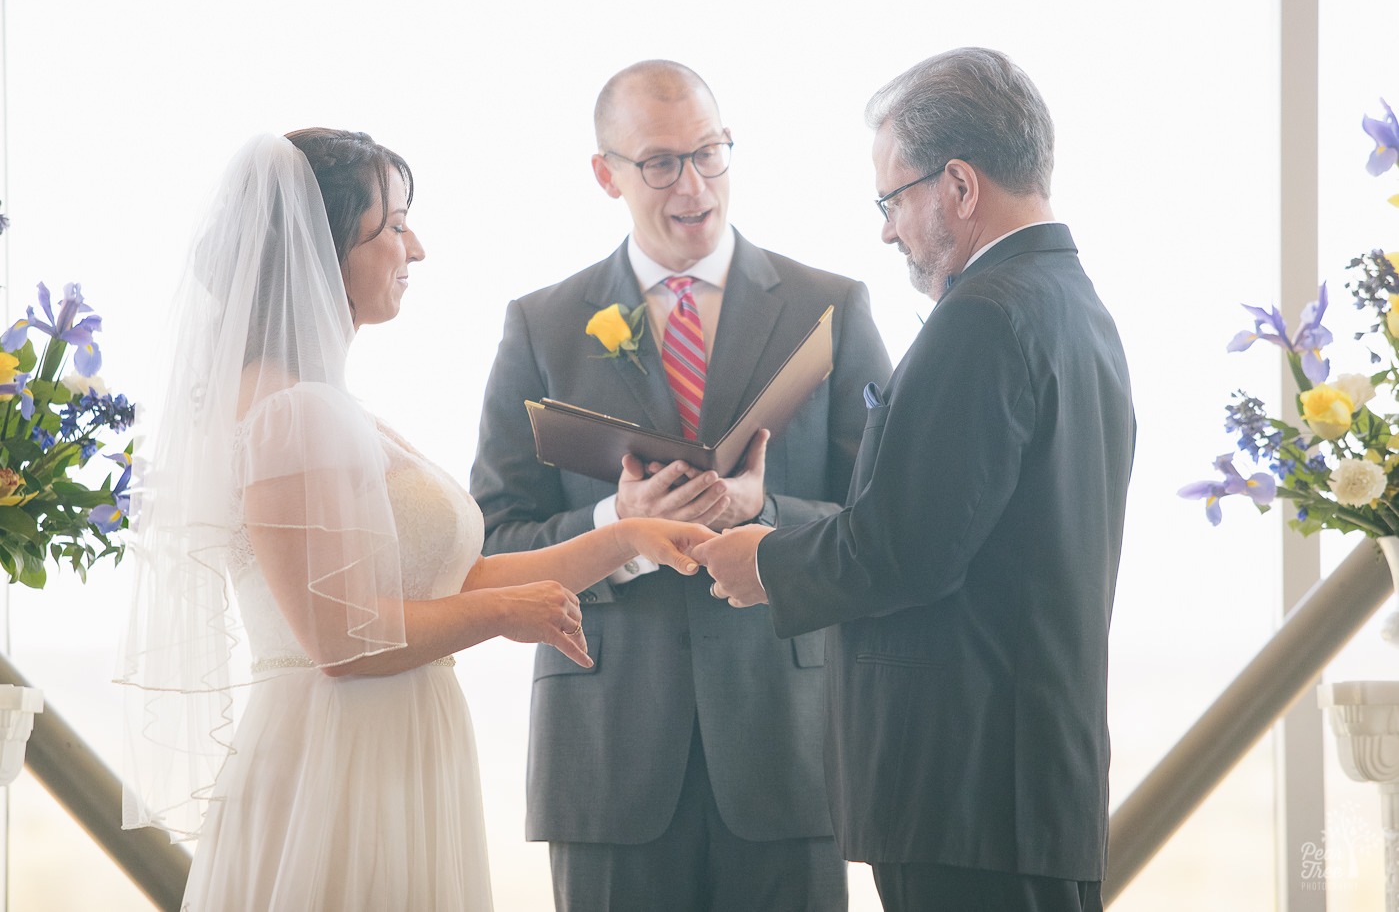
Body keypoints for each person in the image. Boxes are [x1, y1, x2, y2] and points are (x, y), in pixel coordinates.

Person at [115, 129, 713, 911]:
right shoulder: (289, 412)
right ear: (325, 248)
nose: (417, 248)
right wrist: (503, 612)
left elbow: (445, 580)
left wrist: (627, 538)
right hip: (339, 759)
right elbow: (338, 642)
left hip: (388, 743)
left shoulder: (326, 406)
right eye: (394, 226)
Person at [694, 48, 1136, 912]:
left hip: (965, 789)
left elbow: (906, 547)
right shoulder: (1074, 307)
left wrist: (766, 560)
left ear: (959, 186)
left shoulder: (979, 316)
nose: (887, 230)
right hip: (1026, 781)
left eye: (892, 199)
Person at [469, 60, 891, 911]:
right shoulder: (541, 323)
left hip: (785, 742)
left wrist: (762, 512)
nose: (693, 184)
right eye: (661, 162)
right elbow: (491, 537)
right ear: (606, 174)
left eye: (710, 152)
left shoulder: (829, 305)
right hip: (608, 751)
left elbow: (879, 523)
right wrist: (613, 523)